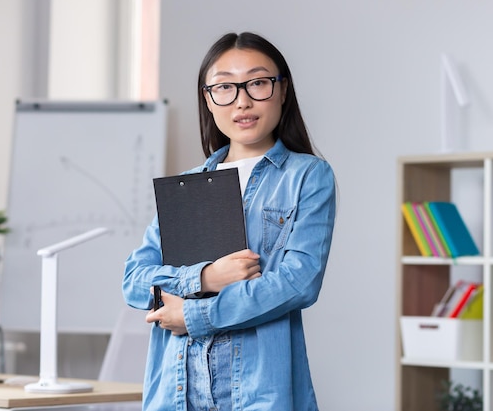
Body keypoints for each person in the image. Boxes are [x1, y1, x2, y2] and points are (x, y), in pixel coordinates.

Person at [122, 31, 336, 411]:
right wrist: (206, 278)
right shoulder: (187, 186)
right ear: (208, 98)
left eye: (257, 83)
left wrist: (194, 313)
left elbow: (298, 281)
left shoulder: (307, 176)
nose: (243, 101)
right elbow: (135, 281)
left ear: (282, 90)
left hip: (258, 391)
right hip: (176, 389)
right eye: (225, 88)